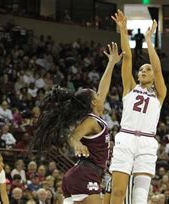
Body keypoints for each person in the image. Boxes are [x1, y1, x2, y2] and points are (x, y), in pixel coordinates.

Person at [31, 42, 123, 204]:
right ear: (94, 103)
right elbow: (73, 136)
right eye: (97, 97)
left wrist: (111, 63)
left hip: (79, 174)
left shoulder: (95, 115)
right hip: (85, 175)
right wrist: (76, 143)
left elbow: (103, 88)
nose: (101, 97)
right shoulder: (91, 121)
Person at [110, 10, 167, 204]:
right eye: (141, 69)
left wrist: (149, 40)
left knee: (140, 197)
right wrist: (123, 30)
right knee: (118, 192)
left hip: (147, 143)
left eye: (147, 69)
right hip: (125, 138)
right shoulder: (130, 88)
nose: (143, 70)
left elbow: (158, 68)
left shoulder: (160, 93)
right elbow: (127, 59)